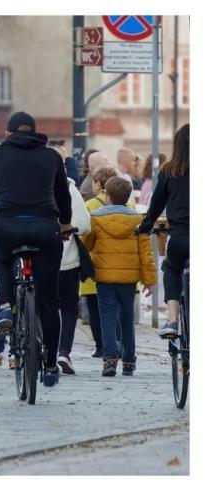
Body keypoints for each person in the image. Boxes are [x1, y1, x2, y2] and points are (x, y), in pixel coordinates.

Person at [0, 111, 73, 388]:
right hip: (45, 229)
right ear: (34, 132)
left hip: (7, 227)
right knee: (49, 303)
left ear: (9, 133)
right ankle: (50, 366)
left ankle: (4, 306)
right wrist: (65, 224)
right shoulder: (51, 157)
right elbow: (62, 195)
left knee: (1, 258)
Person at [83, 177, 155, 376]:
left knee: (107, 318)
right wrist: (149, 279)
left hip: (104, 278)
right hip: (129, 280)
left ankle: (110, 360)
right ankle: (129, 360)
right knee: (126, 319)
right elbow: (145, 253)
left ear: (108, 197)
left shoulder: (96, 218)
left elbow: (87, 244)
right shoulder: (138, 220)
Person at [136, 124, 189, 339]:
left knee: (171, 269)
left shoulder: (169, 170)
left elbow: (156, 205)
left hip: (180, 236)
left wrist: (145, 227)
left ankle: (173, 320)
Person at [80, 166, 126, 358]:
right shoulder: (128, 206)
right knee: (116, 310)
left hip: (94, 264)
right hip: (121, 266)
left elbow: (84, 233)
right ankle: (118, 343)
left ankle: (101, 347)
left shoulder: (90, 205)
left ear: (99, 185)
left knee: (94, 308)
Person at [54, 157, 92, 375]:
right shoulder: (69, 188)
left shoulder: (30, 183)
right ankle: (64, 351)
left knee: (43, 305)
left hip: (38, 257)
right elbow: (85, 224)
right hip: (67, 258)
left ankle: (42, 347)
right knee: (68, 307)